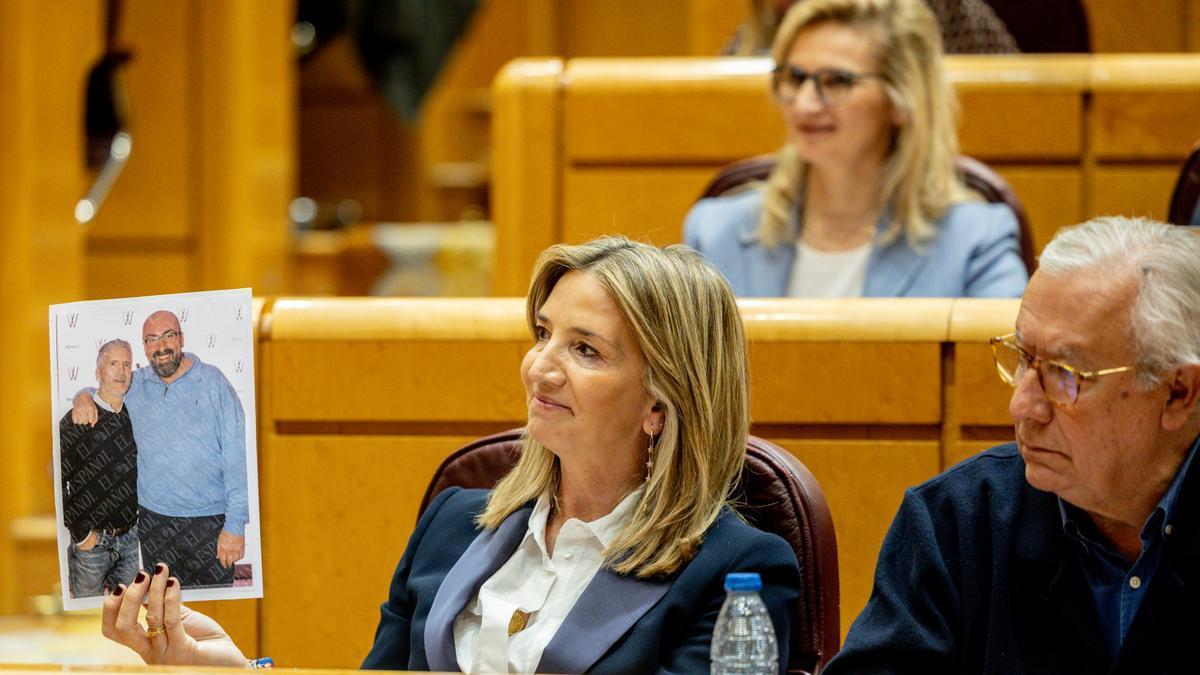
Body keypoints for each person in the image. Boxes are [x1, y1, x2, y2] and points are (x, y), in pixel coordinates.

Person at [99, 237, 803, 673]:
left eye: (584, 349)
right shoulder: (455, 522)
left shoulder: (736, 570)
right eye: (543, 334)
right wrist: (234, 670)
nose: (540, 368)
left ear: (660, 401)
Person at [824, 217, 1200, 673]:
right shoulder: (956, 522)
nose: (1024, 406)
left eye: (1065, 375)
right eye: (1023, 359)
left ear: (1179, 392)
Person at [687, 0, 1028, 298]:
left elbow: (1001, 367)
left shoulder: (976, 241)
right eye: (795, 77)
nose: (804, 104)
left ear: (901, 100)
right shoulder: (715, 232)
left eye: (837, 82)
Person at [73, 310, 248, 590]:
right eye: (152, 339)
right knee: (164, 618)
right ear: (144, 346)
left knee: (214, 614)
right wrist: (82, 397)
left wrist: (235, 526)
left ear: (181, 338)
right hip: (154, 524)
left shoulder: (214, 382)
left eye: (168, 335)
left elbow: (239, 459)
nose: (161, 346)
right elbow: (103, 389)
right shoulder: (136, 383)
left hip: (209, 524)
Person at [60, 339, 139, 598]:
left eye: (126, 364)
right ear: (98, 373)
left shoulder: (136, 415)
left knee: (127, 624)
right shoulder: (78, 418)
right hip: (91, 545)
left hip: (129, 542)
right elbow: (58, 482)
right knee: (86, 624)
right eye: (113, 364)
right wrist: (81, 534)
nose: (121, 371)